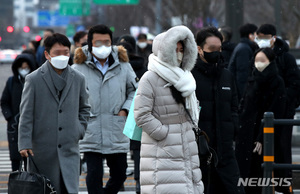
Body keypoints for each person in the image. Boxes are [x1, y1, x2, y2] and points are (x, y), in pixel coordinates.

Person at [134, 25, 204, 194]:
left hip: (187, 142)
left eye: (182, 50)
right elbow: (142, 115)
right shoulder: (150, 77)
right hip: (162, 149)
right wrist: (163, 134)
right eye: (175, 49)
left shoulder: (186, 76)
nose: (179, 54)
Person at [18, 33, 91, 194]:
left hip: (69, 148)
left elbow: (85, 108)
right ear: (47, 54)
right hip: (42, 150)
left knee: (68, 189)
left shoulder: (78, 78)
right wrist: (24, 142)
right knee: (45, 189)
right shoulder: (34, 79)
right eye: (57, 53)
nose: (63, 56)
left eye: (65, 52)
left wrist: (79, 130)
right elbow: (26, 114)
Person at [72, 24, 137, 194]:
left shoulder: (123, 65)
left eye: (107, 42)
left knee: (120, 174)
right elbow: (71, 97)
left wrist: (125, 109)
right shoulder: (78, 67)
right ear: (90, 44)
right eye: (98, 42)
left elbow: (135, 90)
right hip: (91, 128)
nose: (103, 47)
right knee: (93, 175)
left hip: (117, 127)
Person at [192, 26, 244, 194]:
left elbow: (234, 106)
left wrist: (233, 127)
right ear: (199, 49)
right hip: (200, 152)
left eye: (219, 48)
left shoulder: (226, 75)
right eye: (212, 49)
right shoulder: (189, 77)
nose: (217, 52)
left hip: (226, 150)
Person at [255, 24, 300, 194]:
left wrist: (282, 101)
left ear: (273, 38)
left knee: (282, 150)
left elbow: (295, 85)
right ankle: (262, 187)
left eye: (265, 36)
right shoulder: (258, 55)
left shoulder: (285, 58)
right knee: (261, 153)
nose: (262, 40)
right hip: (261, 113)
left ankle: (284, 187)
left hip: (282, 114)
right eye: (259, 36)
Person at [236, 48, 287, 194]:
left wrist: (262, 136)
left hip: (262, 135)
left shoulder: (277, 82)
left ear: (270, 61)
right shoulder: (252, 78)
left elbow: (276, 110)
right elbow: (244, 104)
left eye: (262, 60)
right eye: (256, 60)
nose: (258, 64)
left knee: (261, 173)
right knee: (246, 174)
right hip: (246, 134)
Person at [117, 34, 147, 194]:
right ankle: (138, 181)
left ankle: (120, 179)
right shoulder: (143, 67)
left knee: (119, 149)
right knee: (136, 149)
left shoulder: (117, 67)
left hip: (119, 111)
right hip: (138, 111)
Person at [1, 53, 37, 171]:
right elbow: (4, 101)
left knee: (31, 158)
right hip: (14, 125)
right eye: (21, 67)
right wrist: (9, 117)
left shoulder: (35, 82)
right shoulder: (12, 82)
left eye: (26, 67)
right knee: (15, 159)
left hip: (32, 126)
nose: (24, 70)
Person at [228, 23, 258, 100]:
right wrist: (244, 96)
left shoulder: (243, 47)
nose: (257, 37)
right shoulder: (244, 49)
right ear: (250, 35)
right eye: (255, 34)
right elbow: (242, 75)